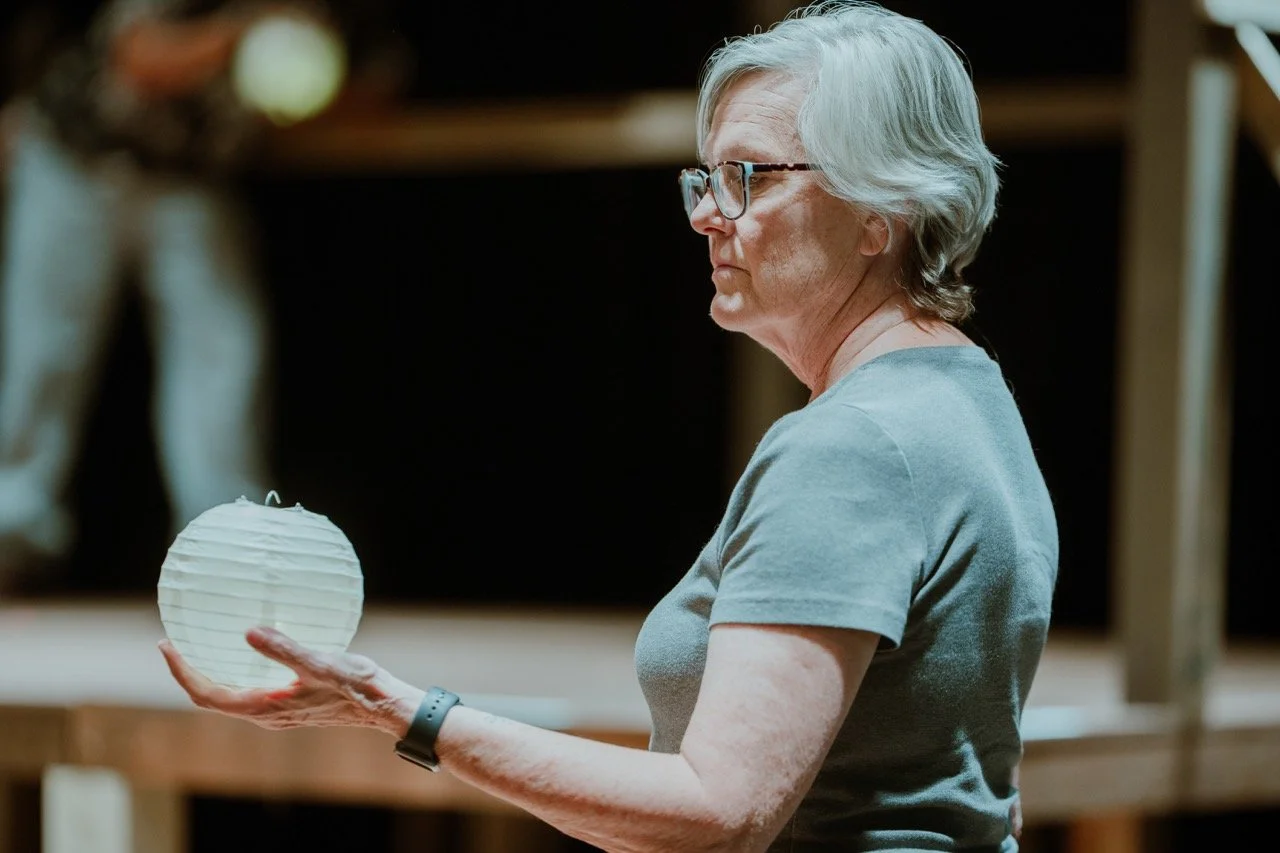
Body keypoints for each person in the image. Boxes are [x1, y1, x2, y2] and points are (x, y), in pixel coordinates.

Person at [160, 2, 1059, 850]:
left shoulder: (854, 446)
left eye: (747, 176)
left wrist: (397, 709)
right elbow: (965, 783)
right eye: (704, 178)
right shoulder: (967, 395)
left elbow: (720, 810)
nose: (708, 212)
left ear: (881, 213)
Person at [0, 0, 406, 591]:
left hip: (194, 176)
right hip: (79, 158)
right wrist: (254, 29)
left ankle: (224, 550)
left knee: (224, 357)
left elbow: (373, 91)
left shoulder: (344, 15)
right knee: (42, 357)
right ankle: (12, 537)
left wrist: (305, 71)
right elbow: (140, 58)